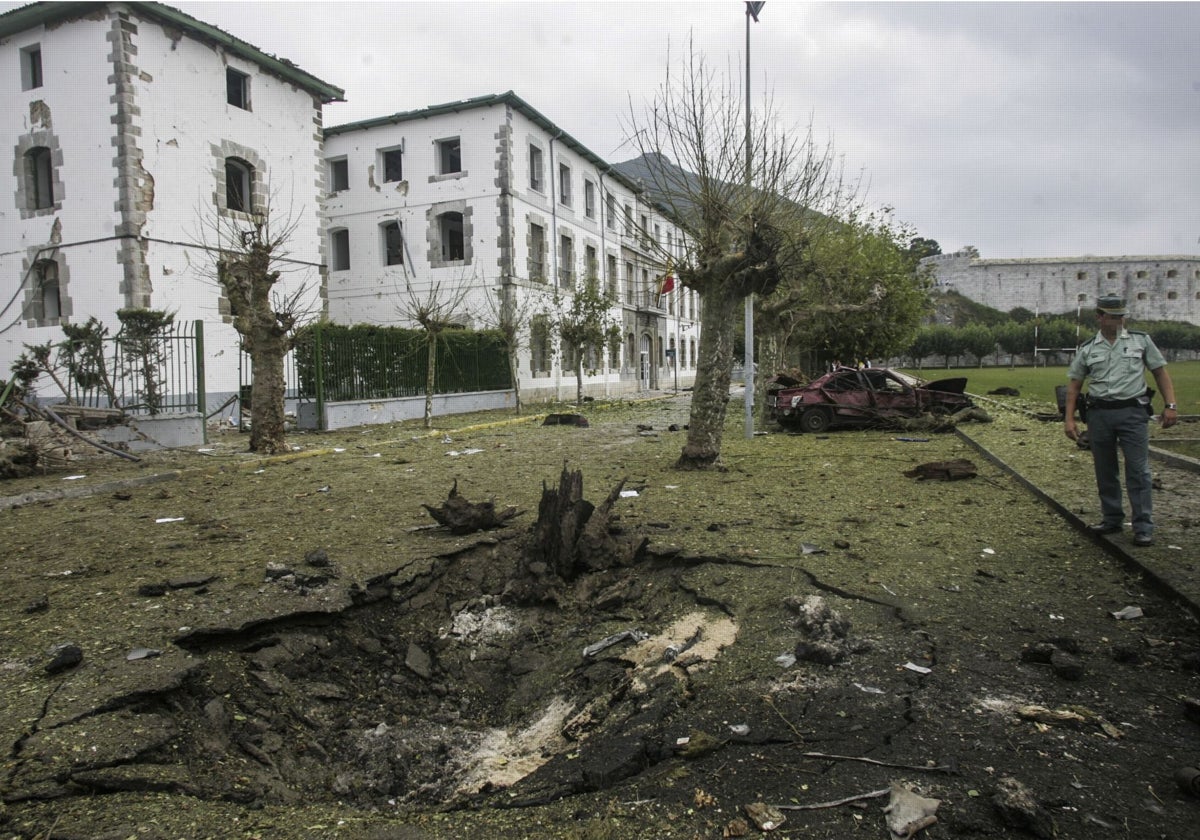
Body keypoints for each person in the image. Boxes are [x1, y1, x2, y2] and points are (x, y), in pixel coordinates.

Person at [1063, 294, 1179, 546]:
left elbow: (1160, 372)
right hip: (1099, 414)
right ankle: (1112, 518)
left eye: (1121, 316)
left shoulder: (1141, 341)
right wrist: (1069, 419)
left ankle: (1143, 526)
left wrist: (1170, 405)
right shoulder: (1088, 348)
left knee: (1138, 471)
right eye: (1113, 316)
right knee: (1105, 470)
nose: (1118, 320)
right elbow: (1074, 386)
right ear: (1100, 317)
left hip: (1132, 413)